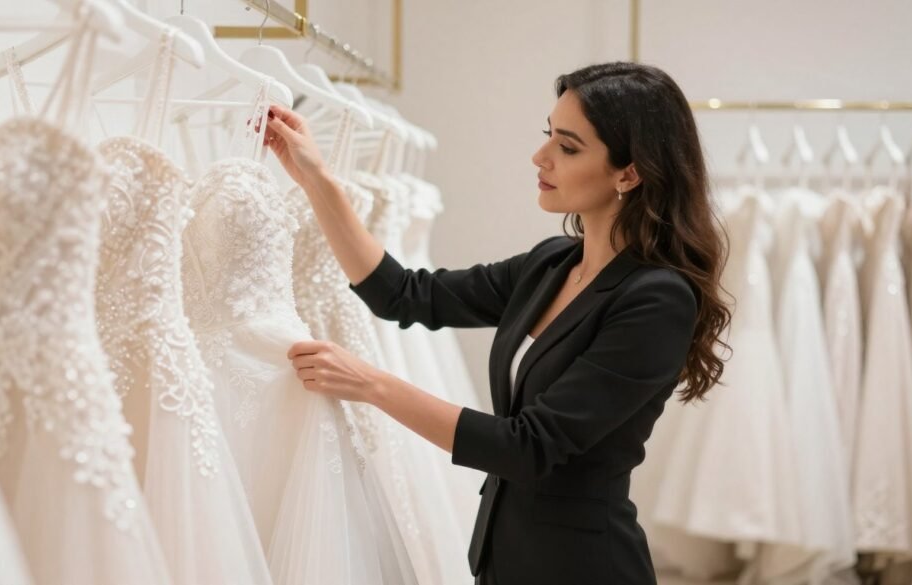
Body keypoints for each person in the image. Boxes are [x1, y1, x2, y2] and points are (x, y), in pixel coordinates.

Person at [264, 61, 732, 585]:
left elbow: (527, 447)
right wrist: (315, 179)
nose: (541, 157)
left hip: (582, 569)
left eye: (568, 147)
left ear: (629, 172)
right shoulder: (552, 265)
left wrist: (370, 384)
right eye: (548, 136)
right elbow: (403, 295)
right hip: (503, 560)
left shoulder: (657, 299)